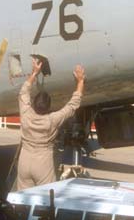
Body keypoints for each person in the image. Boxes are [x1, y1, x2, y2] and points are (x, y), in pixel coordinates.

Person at [15, 58, 85, 190]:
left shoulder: (25, 113)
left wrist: (35, 73)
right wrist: (80, 81)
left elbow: (23, 92)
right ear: (48, 107)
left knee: (23, 200)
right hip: (42, 163)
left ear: (33, 103)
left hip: (24, 161)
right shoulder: (53, 119)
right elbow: (73, 105)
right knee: (45, 199)